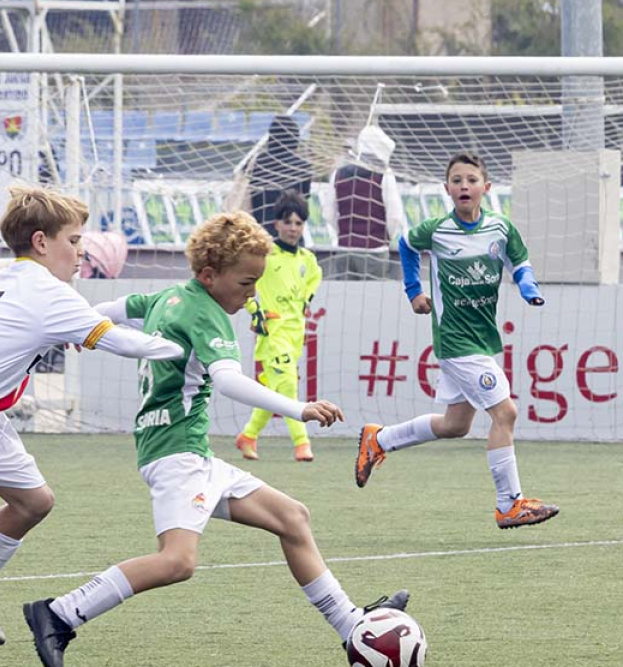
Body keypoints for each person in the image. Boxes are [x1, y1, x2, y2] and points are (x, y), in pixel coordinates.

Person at [22, 211, 409, 667]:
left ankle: (350, 627)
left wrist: (78, 327)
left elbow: (118, 308)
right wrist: (299, 407)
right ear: (210, 275)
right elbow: (228, 381)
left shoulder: (172, 296)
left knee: (292, 518)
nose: (252, 295)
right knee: (177, 562)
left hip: (188, 452)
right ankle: (60, 613)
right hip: (176, 454)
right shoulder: (208, 315)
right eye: (247, 283)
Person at [0, 186, 186, 667]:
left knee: (33, 501)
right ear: (41, 242)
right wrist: (183, 348)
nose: (81, 251)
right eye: (74, 239)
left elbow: (80, 320)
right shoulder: (46, 292)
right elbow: (122, 345)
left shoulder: (19, 274)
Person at [354, 152, 559, 530]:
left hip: (482, 339)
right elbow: (405, 245)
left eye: (471, 180)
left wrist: (528, 286)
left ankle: (379, 439)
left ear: (486, 187)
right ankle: (509, 505)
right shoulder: (436, 230)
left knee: (456, 424)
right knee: (506, 413)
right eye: (457, 180)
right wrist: (414, 290)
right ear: (447, 189)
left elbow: (520, 261)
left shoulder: (500, 228)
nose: (465, 185)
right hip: (455, 340)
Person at [235, 190, 323, 462]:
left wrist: (307, 298)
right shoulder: (266, 254)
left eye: (298, 223)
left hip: (296, 332)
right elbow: (244, 283)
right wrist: (254, 311)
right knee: (286, 387)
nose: (293, 228)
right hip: (273, 331)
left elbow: (315, 278)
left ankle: (248, 436)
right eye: (288, 222)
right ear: (277, 225)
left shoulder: (306, 259)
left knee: (275, 390)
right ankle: (301, 443)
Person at [330, 123, 406, 280]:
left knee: (344, 301)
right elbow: (395, 215)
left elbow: (328, 212)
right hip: (375, 250)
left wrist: (344, 233)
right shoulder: (384, 174)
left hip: (344, 248)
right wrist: (385, 237)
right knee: (372, 301)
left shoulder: (338, 173)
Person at [248, 114, 311, 237]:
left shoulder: (259, 162)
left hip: (261, 234)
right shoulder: (303, 166)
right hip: (291, 237)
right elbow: (304, 204)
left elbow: (253, 199)